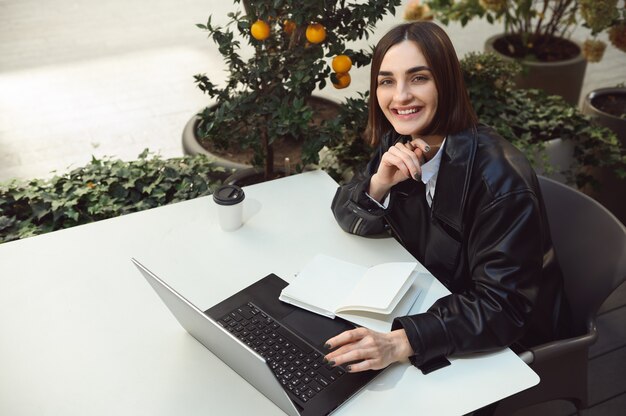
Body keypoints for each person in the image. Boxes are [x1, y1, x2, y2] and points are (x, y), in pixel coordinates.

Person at [323, 21, 572, 375]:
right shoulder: (402, 139)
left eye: (419, 78)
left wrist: (400, 341)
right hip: (435, 306)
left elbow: (504, 307)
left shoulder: (500, 180)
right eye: (387, 81)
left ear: (446, 82)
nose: (400, 96)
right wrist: (378, 185)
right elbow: (347, 216)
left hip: (505, 345)